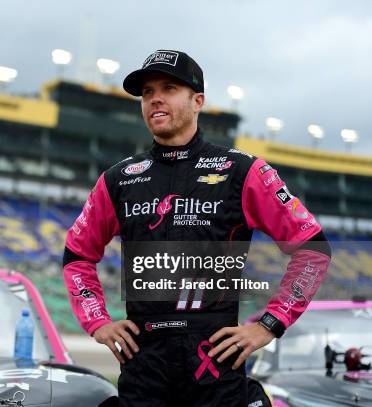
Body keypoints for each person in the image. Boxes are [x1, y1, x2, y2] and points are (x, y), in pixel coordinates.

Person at [62, 49, 332, 406]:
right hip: (144, 363)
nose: (155, 98)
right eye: (146, 92)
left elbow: (313, 248)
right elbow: (77, 255)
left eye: (169, 87)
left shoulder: (242, 171)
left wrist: (269, 324)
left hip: (215, 361)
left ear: (197, 100)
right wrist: (97, 321)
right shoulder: (119, 179)